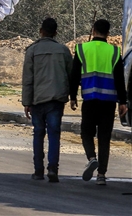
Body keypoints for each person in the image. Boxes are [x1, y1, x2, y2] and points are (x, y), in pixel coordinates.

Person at [70, 19, 128, 185]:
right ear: (108, 33)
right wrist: (122, 101)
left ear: (93, 30)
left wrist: (72, 96)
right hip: (108, 102)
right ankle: (101, 175)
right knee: (104, 138)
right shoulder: (114, 52)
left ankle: (91, 158)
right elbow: (119, 79)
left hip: (89, 100)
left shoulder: (82, 49)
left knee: (86, 133)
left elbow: (74, 75)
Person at [22, 17, 73, 183]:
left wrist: (26, 102)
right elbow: (71, 76)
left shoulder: (32, 51)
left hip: (37, 100)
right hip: (56, 100)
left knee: (38, 133)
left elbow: (28, 79)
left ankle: (38, 170)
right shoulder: (63, 51)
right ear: (56, 33)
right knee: (54, 134)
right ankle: (53, 169)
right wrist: (71, 96)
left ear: (41, 31)